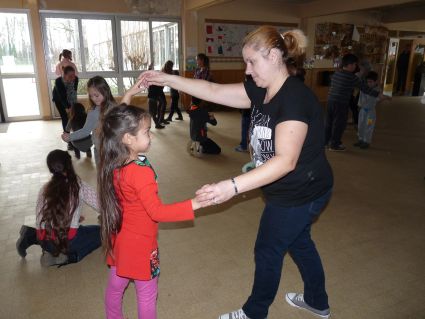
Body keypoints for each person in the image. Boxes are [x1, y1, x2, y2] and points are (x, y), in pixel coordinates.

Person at [140, 26, 334, 319]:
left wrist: (231, 186)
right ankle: (318, 301)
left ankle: (254, 313)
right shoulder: (263, 89)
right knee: (298, 240)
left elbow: (285, 161)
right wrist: (167, 79)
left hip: (299, 192)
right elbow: (213, 90)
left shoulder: (294, 98)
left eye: (252, 62)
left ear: (274, 56)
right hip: (297, 188)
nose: (247, 70)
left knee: (268, 250)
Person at [97, 104, 203, 319]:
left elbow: (111, 124)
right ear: (127, 138)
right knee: (147, 294)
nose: (150, 135)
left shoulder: (111, 161)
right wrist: (195, 203)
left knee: (116, 285)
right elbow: (157, 213)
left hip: (119, 238)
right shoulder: (138, 173)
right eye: (146, 131)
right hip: (141, 245)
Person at [16, 150, 100, 266]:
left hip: (45, 239)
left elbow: (42, 214)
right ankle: (69, 257)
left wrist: (71, 217)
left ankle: (33, 238)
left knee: (54, 234)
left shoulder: (44, 189)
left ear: (50, 169)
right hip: (68, 241)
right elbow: (101, 206)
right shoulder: (78, 185)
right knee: (103, 233)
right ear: (70, 165)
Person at [325, 53, 379, 151]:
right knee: (339, 124)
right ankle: (334, 145)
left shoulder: (337, 73)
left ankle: (326, 141)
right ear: (350, 65)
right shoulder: (351, 77)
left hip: (330, 101)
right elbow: (364, 88)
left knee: (329, 122)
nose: (356, 67)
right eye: (355, 65)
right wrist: (378, 94)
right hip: (341, 103)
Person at [354, 71, 390, 149]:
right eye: (367, 82)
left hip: (370, 112)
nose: (369, 83)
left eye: (371, 82)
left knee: (369, 126)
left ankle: (366, 141)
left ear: (376, 81)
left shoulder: (377, 90)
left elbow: (379, 98)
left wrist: (385, 98)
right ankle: (360, 139)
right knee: (360, 125)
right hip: (362, 111)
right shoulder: (364, 88)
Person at [52, 65, 79, 150]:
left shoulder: (76, 79)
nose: (73, 78)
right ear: (64, 75)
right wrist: (67, 107)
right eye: (70, 76)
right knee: (65, 118)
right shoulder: (58, 81)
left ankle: (76, 138)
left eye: (73, 75)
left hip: (70, 98)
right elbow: (62, 96)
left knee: (74, 118)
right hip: (59, 100)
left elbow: (74, 93)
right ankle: (69, 141)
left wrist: (73, 106)